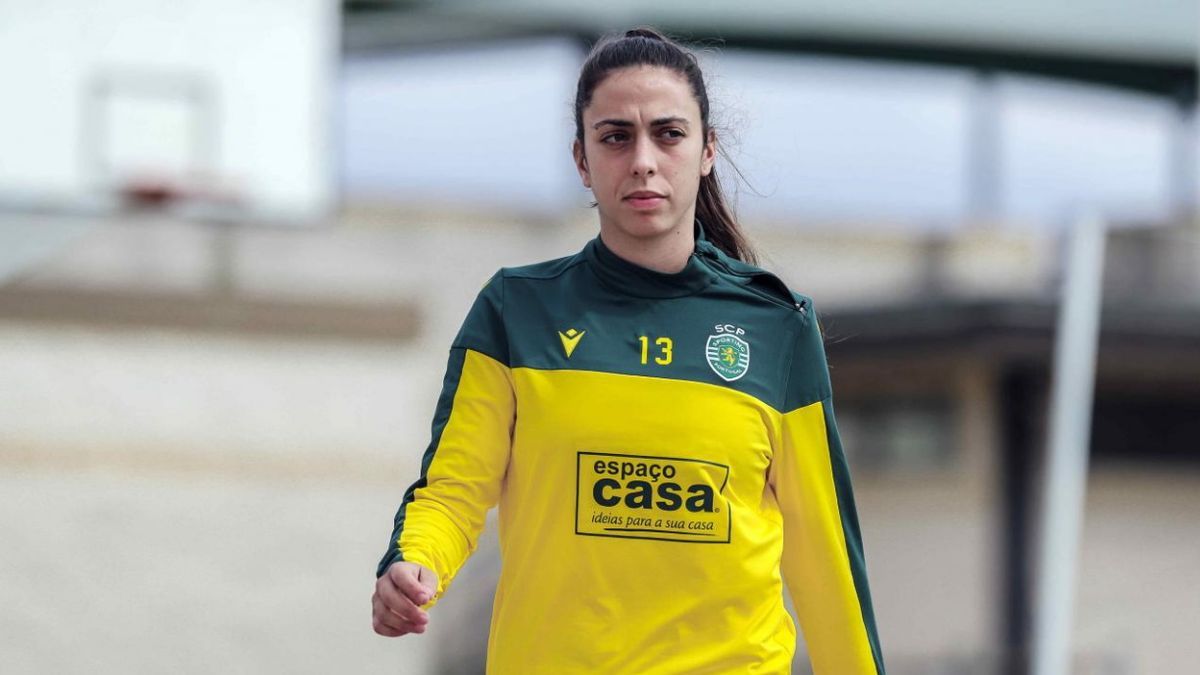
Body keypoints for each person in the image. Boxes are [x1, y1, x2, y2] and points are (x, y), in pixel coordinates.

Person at [372, 26, 886, 675]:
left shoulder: (776, 327)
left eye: (668, 133)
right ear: (583, 159)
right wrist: (413, 562)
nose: (643, 159)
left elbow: (826, 555)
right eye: (616, 136)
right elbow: (452, 492)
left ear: (706, 151)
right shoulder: (516, 311)